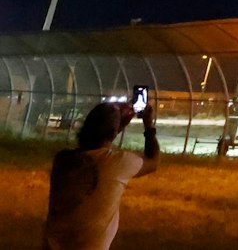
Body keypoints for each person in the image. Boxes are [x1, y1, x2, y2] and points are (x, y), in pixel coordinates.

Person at [43, 97, 158, 250]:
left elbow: (94, 144)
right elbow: (153, 161)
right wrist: (148, 125)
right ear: (113, 132)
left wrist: (115, 125)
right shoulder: (118, 162)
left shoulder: (62, 160)